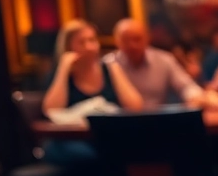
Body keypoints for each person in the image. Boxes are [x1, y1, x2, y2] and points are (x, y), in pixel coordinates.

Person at [41, 20, 144, 166]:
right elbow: (52, 110)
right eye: (81, 42)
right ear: (68, 48)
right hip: (69, 141)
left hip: (106, 137)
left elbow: (136, 106)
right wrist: (64, 69)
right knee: (87, 156)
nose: (89, 47)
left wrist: (115, 70)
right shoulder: (59, 75)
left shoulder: (110, 68)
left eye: (92, 40)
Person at [105, 19, 203, 109]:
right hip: (120, 123)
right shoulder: (108, 64)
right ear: (116, 41)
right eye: (126, 40)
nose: (132, 45)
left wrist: (197, 97)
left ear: (147, 38)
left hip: (159, 121)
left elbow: (186, 86)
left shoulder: (164, 60)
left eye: (137, 39)